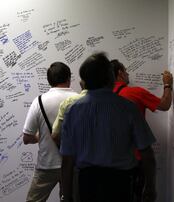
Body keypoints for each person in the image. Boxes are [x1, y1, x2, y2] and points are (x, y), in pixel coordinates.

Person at [60, 53, 157, 202]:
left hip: (87, 183)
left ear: (85, 81)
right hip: (120, 183)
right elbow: (147, 153)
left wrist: (66, 195)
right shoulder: (128, 108)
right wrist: (150, 186)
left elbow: (67, 159)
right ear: (110, 77)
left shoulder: (72, 111)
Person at [111, 59, 172, 202]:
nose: (127, 74)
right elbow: (165, 105)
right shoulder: (135, 92)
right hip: (135, 160)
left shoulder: (100, 97)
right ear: (120, 73)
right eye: (126, 71)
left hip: (109, 162)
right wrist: (167, 84)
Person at [22, 62, 77, 202]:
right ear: (68, 78)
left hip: (47, 164)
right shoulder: (79, 100)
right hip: (74, 165)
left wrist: (39, 137)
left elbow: (27, 138)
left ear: (49, 81)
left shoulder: (39, 101)